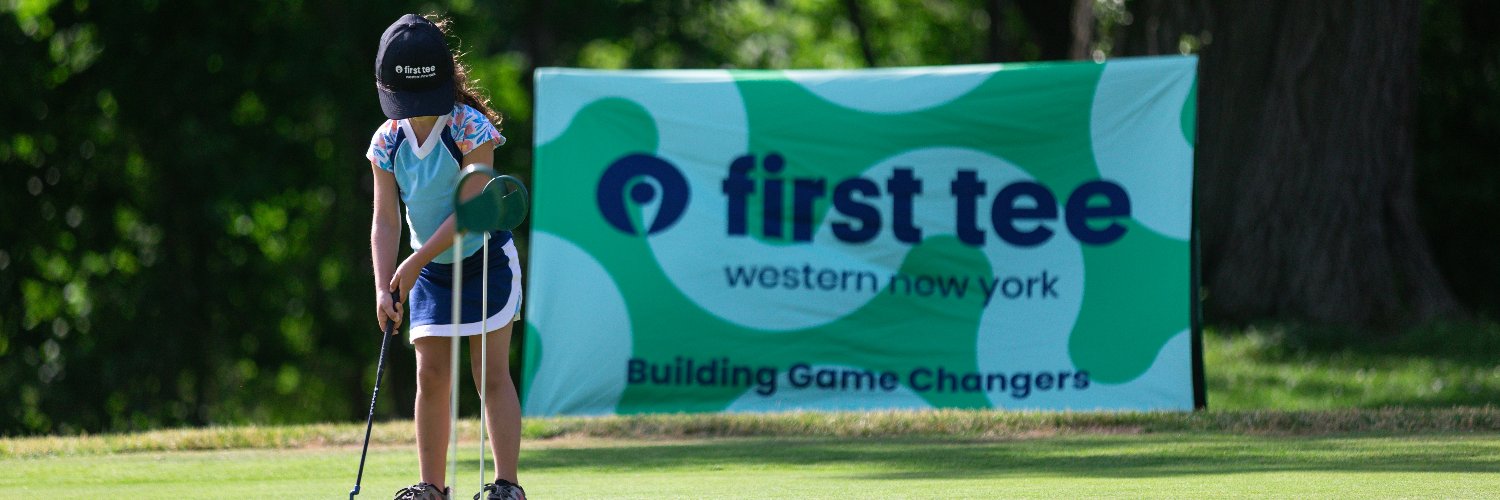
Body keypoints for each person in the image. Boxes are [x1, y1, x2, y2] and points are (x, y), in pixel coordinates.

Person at [367, 13, 525, 500]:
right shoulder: (387, 140)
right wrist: (382, 284)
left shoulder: (470, 128)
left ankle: (506, 486)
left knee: (489, 374)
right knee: (430, 375)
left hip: (486, 262)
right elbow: (386, 220)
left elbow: (472, 209)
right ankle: (431, 488)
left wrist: (413, 263)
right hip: (431, 273)